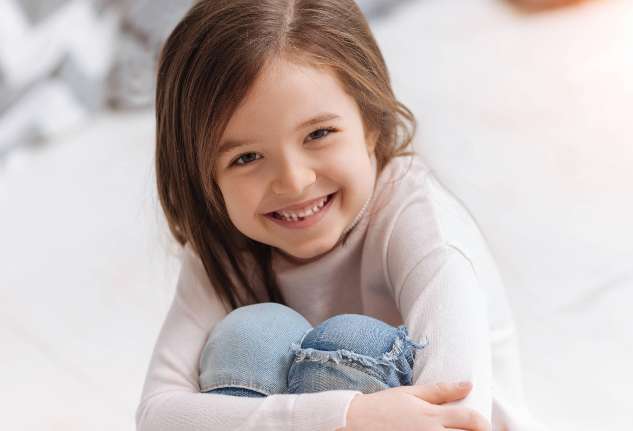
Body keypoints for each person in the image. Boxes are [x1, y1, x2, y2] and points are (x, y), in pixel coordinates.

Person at [135, 1, 544, 430]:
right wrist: (347, 416)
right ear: (202, 174)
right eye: (247, 157)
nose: (293, 182)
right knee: (254, 334)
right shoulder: (223, 244)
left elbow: (455, 420)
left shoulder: (424, 228)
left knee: (349, 342)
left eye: (319, 133)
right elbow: (158, 415)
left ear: (369, 121)